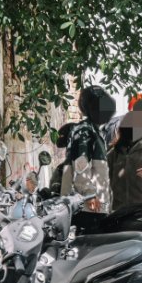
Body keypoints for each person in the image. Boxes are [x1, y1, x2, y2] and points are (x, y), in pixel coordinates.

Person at [60, 85, 115, 232]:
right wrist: (89, 194)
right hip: (85, 208)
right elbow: (81, 164)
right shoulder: (84, 130)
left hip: (93, 207)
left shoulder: (94, 131)